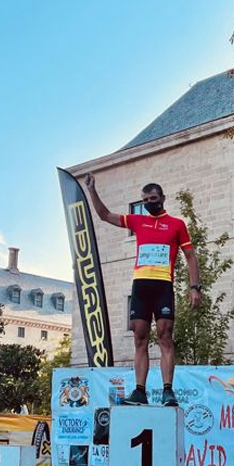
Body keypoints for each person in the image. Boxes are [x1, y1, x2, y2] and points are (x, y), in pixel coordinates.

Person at [84, 174, 200, 406]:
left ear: (162, 198)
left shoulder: (177, 224)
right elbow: (105, 216)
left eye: (153, 198)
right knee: (139, 338)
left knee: (165, 336)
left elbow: (190, 256)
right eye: (145, 200)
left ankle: (168, 390)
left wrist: (194, 287)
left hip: (163, 285)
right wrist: (91, 191)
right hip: (140, 285)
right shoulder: (138, 221)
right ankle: (139, 391)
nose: (149, 203)